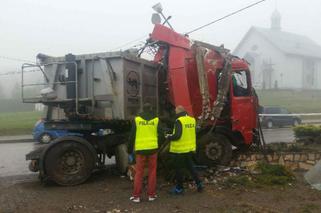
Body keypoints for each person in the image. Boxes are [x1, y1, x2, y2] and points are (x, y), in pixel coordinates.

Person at [128, 103, 162, 203]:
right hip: (153, 150)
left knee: (139, 172)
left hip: (141, 150)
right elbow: (161, 134)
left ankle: (136, 196)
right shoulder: (156, 120)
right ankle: (151, 195)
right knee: (152, 172)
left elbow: (132, 136)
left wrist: (129, 149)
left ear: (142, 109)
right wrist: (157, 145)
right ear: (151, 109)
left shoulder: (137, 120)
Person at [166, 105, 203, 195]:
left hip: (180, 150)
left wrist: (168, 136)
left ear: (178, 112)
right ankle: (199, 184)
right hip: (189, 148)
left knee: (178, 169)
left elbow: (177, 135)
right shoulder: (192, 120)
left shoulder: (179, 121)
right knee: (190, 167)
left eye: (175, 111)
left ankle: (179, 188)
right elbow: (193, 132)